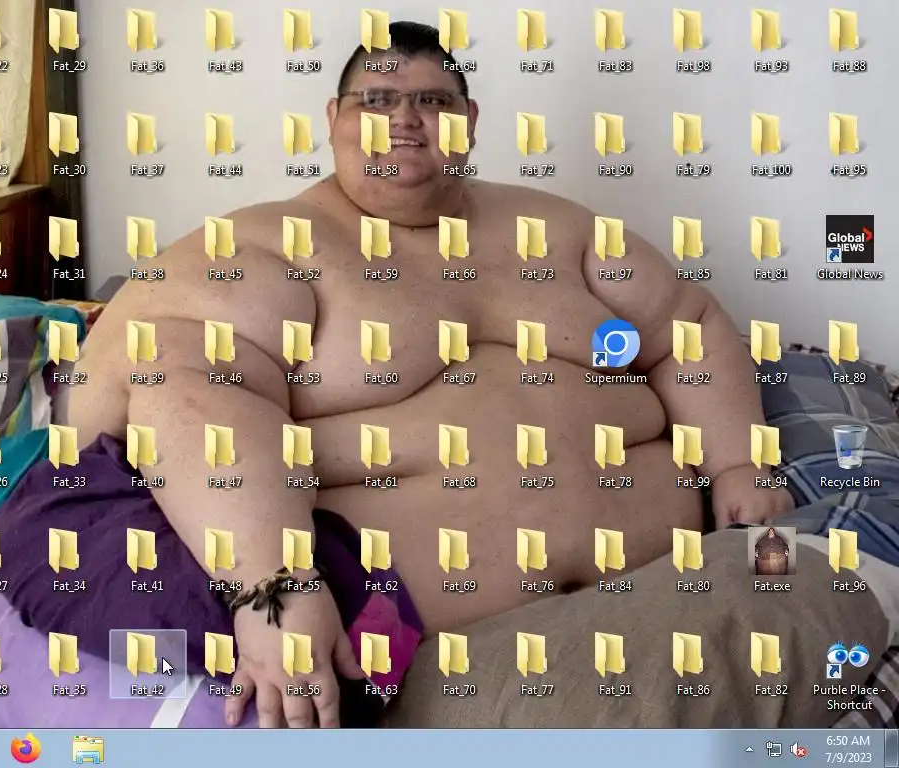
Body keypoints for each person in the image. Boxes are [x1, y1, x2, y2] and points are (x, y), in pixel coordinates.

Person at [67, 22, 793, 727]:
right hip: (432, 650)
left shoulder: (561, 232)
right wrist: (274, 592)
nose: (405, 119)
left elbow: (687, 327)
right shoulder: (264, 247)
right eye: (377, 100)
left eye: (433, 100)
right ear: (334, 119)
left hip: (672, 589)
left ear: (468, 122)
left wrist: (737, 463)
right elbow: (177, 396)